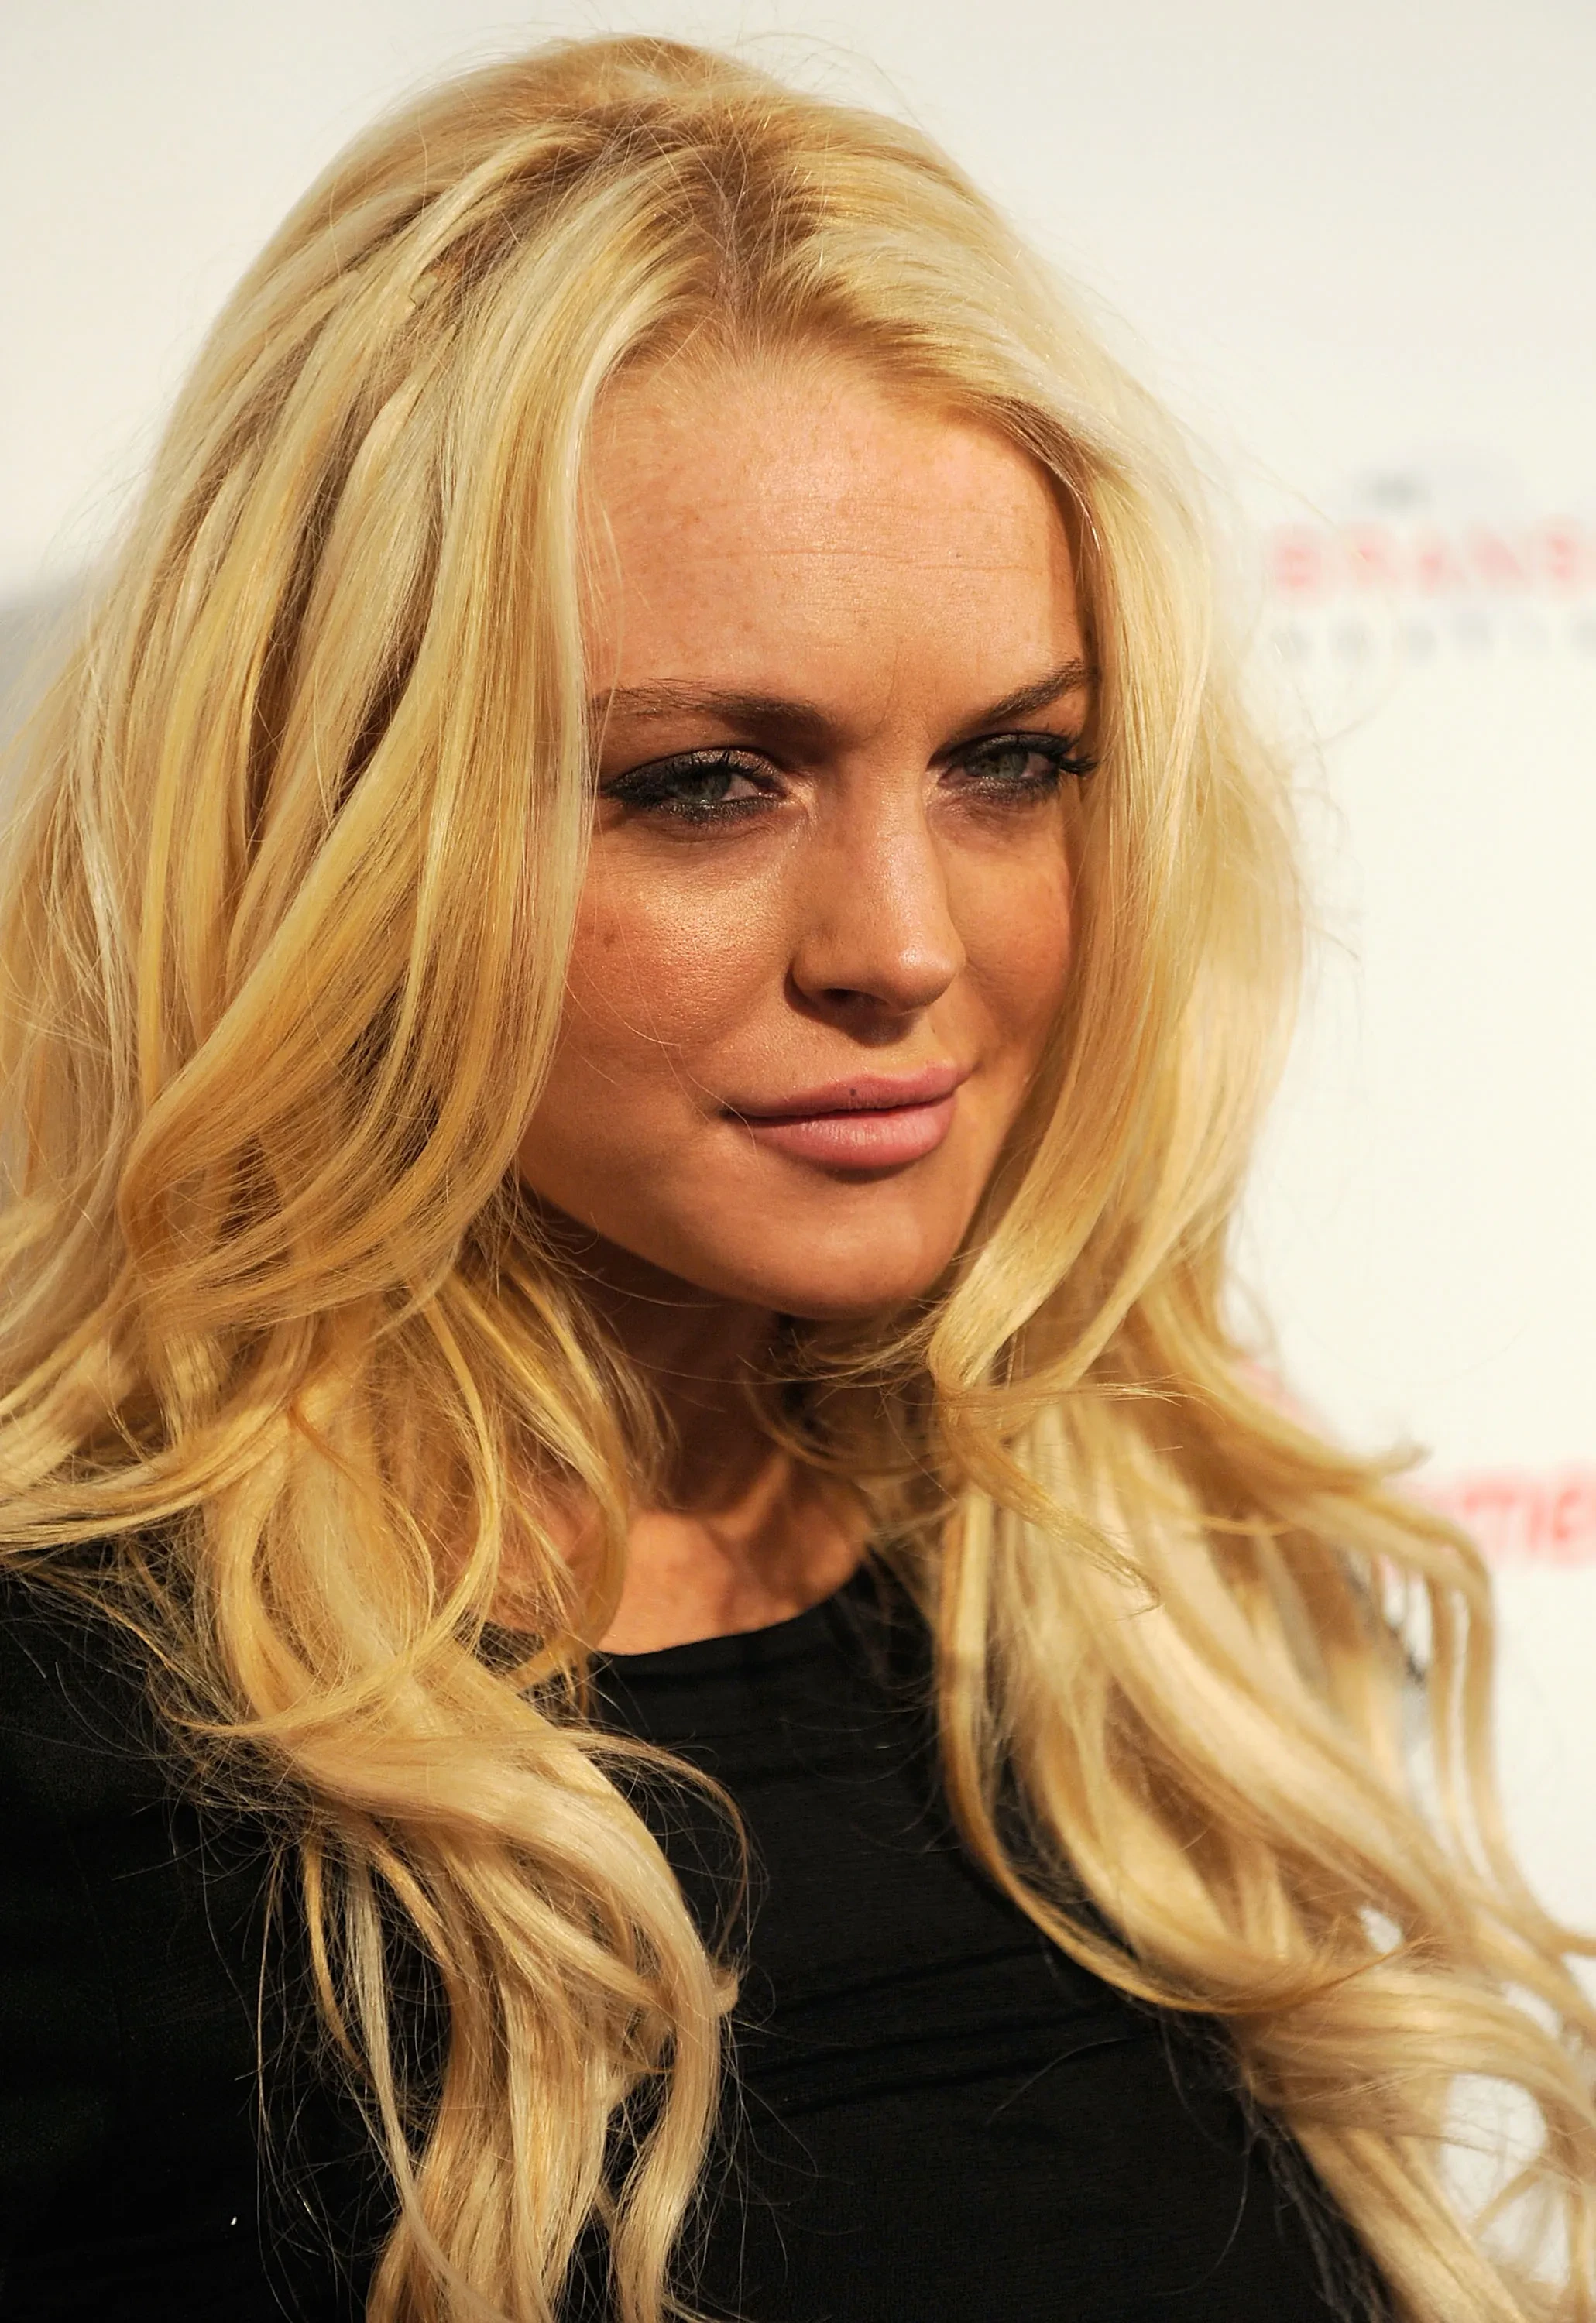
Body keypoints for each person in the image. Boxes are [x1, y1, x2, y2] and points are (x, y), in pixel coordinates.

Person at [0, 32, 1591, 2323]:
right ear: (333, 807)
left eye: (1012, 762)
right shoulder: (74, 1753)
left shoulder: (1130, 1615)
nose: (904, 948)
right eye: (705, 784)